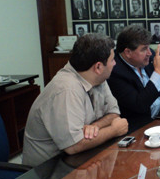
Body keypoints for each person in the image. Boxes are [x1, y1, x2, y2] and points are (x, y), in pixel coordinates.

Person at [23, 34, 129, 167]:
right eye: (112, 60)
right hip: (47, 174)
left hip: (80, 160)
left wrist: (95, 126)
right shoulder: (66, 89)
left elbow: (113, 113)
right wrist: (114, 130)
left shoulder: (96, 77)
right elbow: (74, 145)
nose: (115, 64)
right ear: (98, 67)